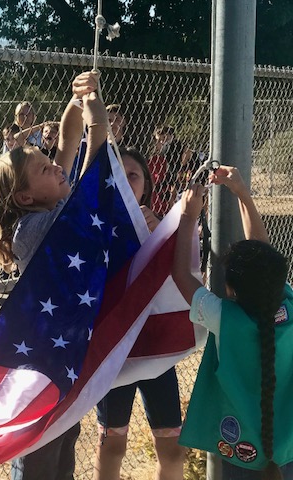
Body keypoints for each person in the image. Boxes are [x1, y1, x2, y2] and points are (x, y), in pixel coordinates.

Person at [0, 70, 103, 480]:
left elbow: (69, 146)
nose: (57, 167)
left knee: (65, 443)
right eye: (44, 169)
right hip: (42, 357)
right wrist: (98, 126)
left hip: (65, 347)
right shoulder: (32, 230)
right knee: (39, 448)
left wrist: (75, 101)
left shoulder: (49, 206)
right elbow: (90, 180)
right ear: (25, 197)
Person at [173, 166, 293, 480]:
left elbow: (181, 277)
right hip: (289, 445)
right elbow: (262, 254)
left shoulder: (226, 318)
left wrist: (188, 217)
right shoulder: (288, 307)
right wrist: (242, 193)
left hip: (240, 449)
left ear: (230, 290)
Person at [92, 147, 184, 480]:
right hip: (115, 350)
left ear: (147, 184)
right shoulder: (98, 226)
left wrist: (161, 231)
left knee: (172, 445)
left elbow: (183, 275)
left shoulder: (162, 225)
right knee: (112, 442)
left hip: (155, 347)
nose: (126, 181)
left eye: (134, 175)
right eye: (120, 175)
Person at [148, 125, 183, 217]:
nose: (162, 142)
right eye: (159, 140)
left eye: (165, 139)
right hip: (158, 204)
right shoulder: (154, 160)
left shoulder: (179, 152)